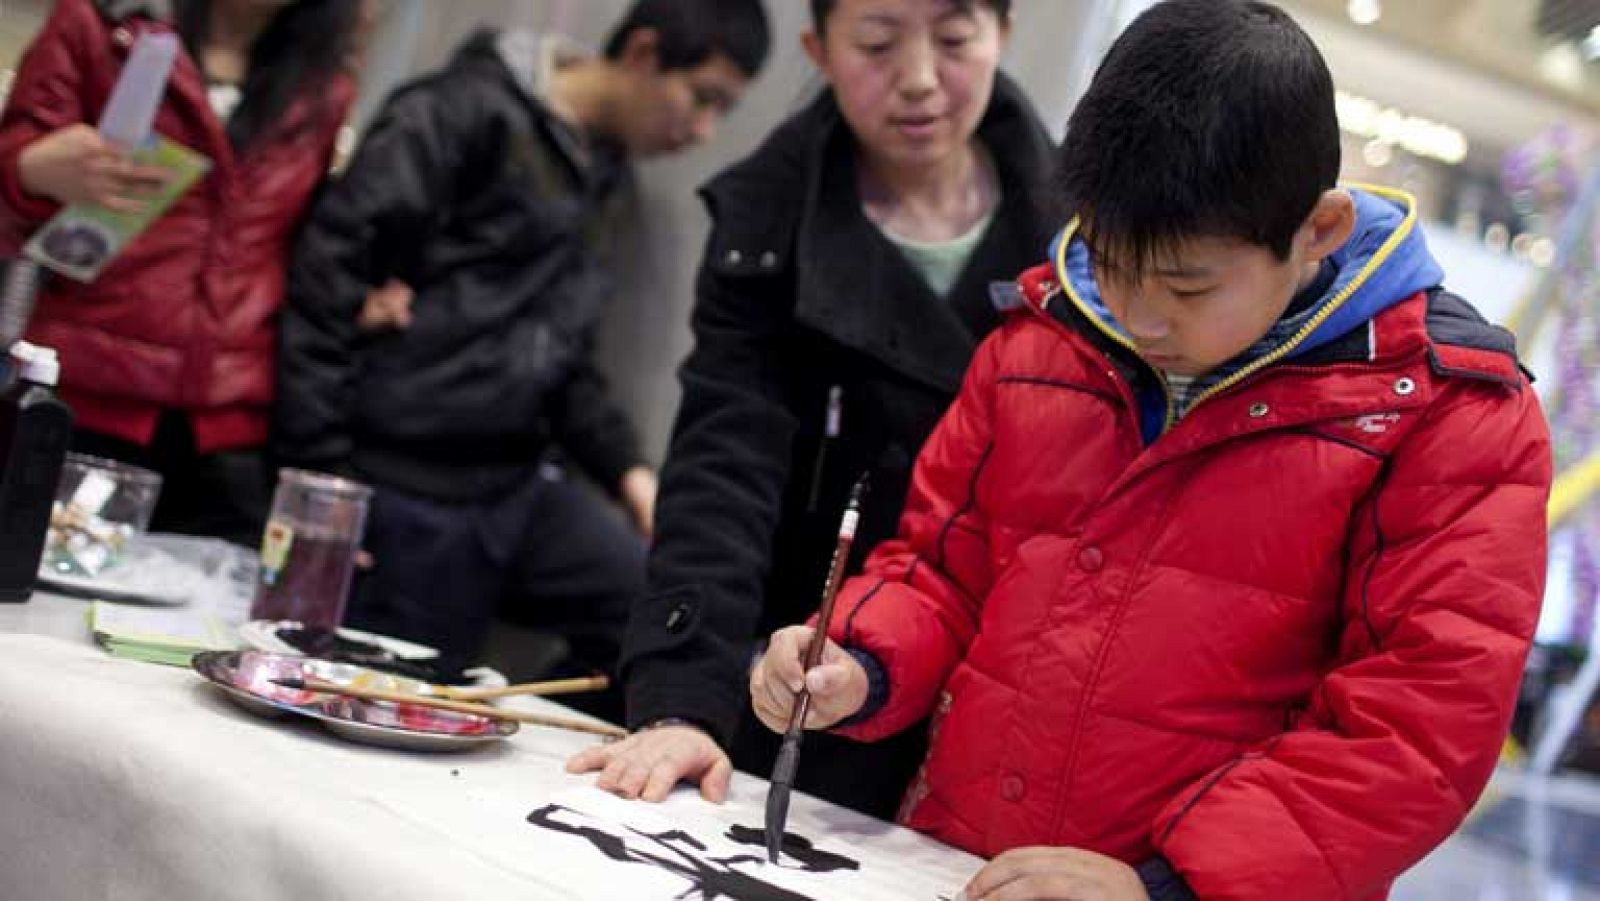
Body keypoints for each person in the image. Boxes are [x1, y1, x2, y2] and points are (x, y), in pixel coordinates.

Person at [744, 1, 1553, 898]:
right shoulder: (1045, 337)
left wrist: (1166, 884)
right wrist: (859, 657)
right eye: (1112, 259)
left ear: (1316, 230)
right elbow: (944, 564)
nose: (1138, 312)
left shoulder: (1447, 411)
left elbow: (1418, 723)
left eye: (1185, 283)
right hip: (954, 864)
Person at [568, 0, 1055, 817]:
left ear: (1003, 32)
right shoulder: (768, 218)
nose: (920, 80)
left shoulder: (1083, 238)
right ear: (817, 50)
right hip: (796, 673)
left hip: (994, 701)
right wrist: (683, 701)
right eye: (875, 43)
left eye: (954, 39)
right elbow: (724, 468)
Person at [275, 0, 772, 693]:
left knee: (663, 617)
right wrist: (321, 487)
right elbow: (322, 291)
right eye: (702, 98)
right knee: (404, 703)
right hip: (401, 480)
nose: (702, 130)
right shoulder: (460, 112)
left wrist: (630, 471)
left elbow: (561, 352)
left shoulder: (607, 175)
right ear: (643, 53)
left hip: (515, 479)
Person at [0, 0, 363, 546]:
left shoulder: (323, 86)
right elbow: (15, 174)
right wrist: (31, 170)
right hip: (85, 395)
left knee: (208, 618)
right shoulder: (99, 29)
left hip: (230, 422)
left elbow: (301, 247)